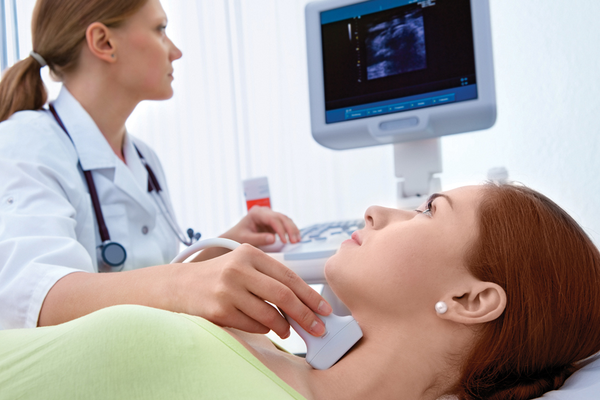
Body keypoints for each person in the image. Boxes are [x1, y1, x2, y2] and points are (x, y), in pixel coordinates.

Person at [1, 182, 599, 400]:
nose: (376, 211)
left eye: (427, 209)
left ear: (472, 299)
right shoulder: (281, 352)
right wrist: (188, 278)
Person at [0, 0, 333, 339]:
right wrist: (184, 282)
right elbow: (34, 298)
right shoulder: (24, 141)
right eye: (159, 30)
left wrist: (228, 243)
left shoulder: (143, 158)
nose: (176, 51)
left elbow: (146, 287)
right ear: (103, 42)